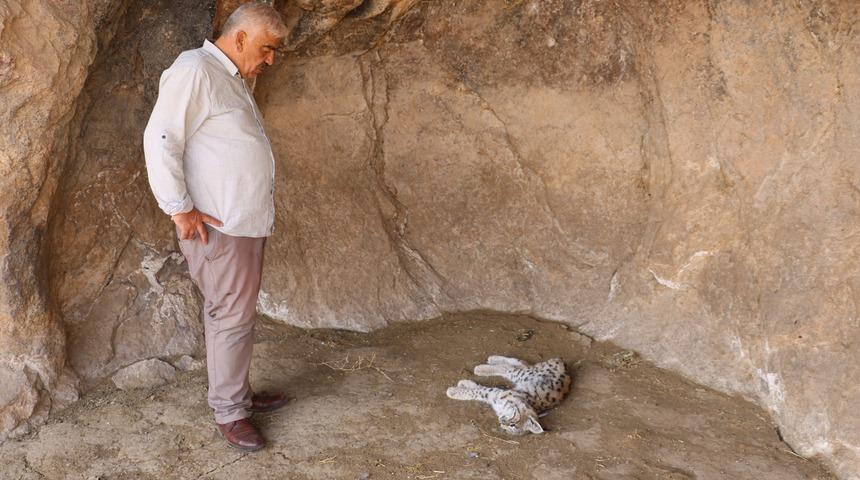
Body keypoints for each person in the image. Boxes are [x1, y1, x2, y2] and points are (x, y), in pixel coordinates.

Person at [143, 2, 289, 452]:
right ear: (241, 37)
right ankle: (229, 411)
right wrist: (179, 208)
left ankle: (237, 395)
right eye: (266, 48)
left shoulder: (229, 77)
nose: (270, 60)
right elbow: (161, 137)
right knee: (230, 316)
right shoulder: (196, 70)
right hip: (219, 224)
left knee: (234, 314)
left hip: (239, 221)